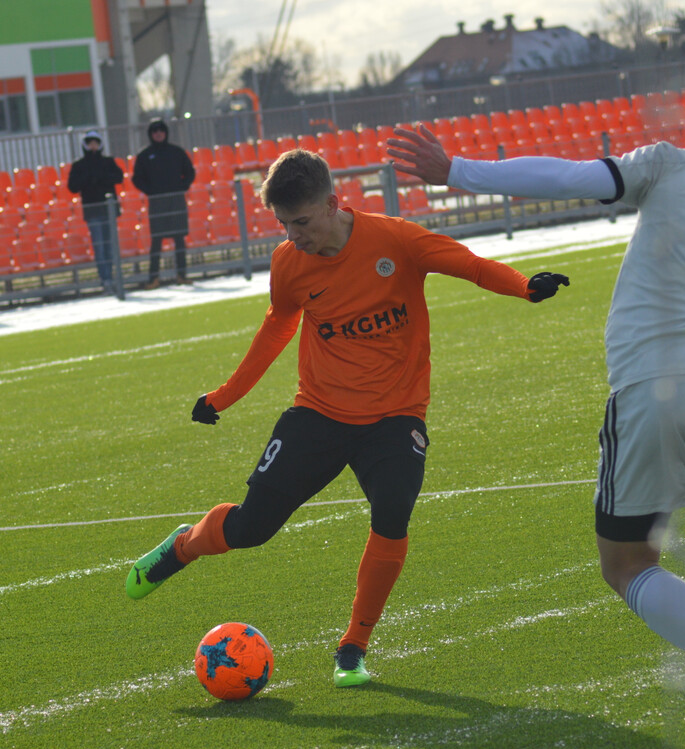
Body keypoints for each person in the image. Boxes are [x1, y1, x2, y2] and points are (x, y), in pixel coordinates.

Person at [387, 66, 685, 749]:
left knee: (627, 565)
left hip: (654, 382)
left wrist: (457, 170)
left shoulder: (669, 163)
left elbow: (570, 177)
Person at [125, 148, 569, 687]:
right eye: (284, 224)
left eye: (303, 222)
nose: (294, 235)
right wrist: (223, 396)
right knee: (250, 529)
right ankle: (184, 545)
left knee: (393, 514)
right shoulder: (288, 263)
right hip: (319, 414)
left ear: (335, 203)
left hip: (395, 416)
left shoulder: (396, 240)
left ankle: (353, 648)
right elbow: (277, 328)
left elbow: (470, 266)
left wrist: (524, 286)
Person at [131, 118, 195, 289]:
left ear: (166, 133)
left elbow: (190, 172)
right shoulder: (145, 155)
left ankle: (182, 275)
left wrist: (181, 187)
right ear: (151, 135)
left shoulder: (177, 152)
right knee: (156, 241)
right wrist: (151, 191)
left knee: (179, 239)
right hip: (157, 202)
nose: (158, 134)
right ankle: (153, 279)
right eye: (154, 131)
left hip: (176, 201)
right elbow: (136, 178)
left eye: (161, 131)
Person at [66, 129, 123, 293]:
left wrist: (101, 177)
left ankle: (112, 277)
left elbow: (118, 177)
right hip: (93, 211)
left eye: (95, 142)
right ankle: (105, 278)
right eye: (90, 142)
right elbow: (72, 186)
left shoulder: (107, 162)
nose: (93, 146)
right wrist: (89, 178)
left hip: (109, 210)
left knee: (110, 246)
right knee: (99, 246)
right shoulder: (79, 165)